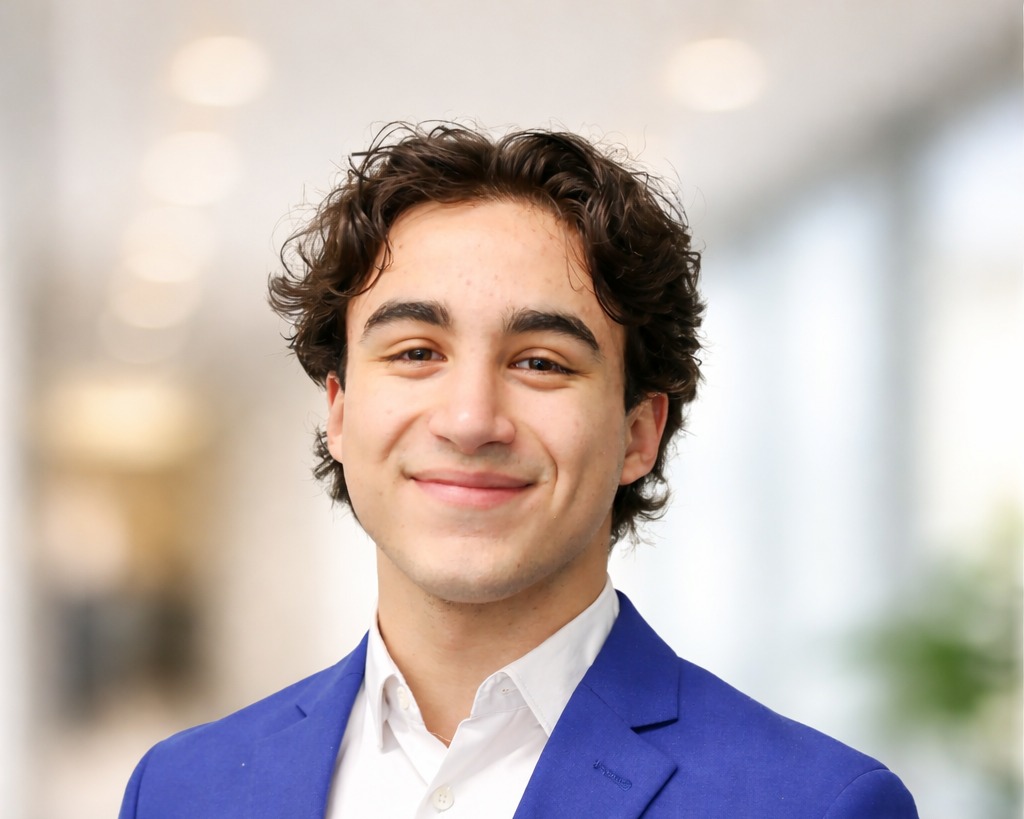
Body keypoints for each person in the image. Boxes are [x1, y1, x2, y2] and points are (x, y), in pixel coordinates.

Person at [118, 123, 918, 818]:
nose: (471, 419)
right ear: (340, 412)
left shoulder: (812, 803)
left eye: (540, 361)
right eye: (416, 352)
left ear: (639, 432)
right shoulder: (180, 790)